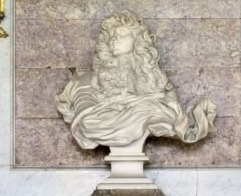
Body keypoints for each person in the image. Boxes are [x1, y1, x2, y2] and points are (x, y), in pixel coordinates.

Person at [56, 11, 216, 152]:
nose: (114, 40)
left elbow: (171, 104)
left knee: (156, 110)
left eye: (121, 34)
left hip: (141, 115)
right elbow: (88, 112)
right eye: (111, 36)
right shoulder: (93, 79)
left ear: (137, 39)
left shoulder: (153, 74)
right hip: (105, 122)